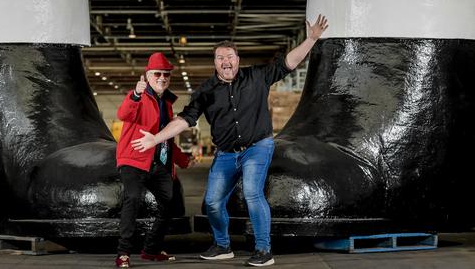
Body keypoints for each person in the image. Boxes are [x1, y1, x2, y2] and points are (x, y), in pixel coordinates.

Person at [132, 15, 329, 267]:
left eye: (230, 57)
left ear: (238, 60)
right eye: (221, 58)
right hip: (225, 153)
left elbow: (288, 63)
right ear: (215, 62)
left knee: (252, 193)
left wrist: (311, 39)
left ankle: (263, 250)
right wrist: (156, 139)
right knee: (212, 202)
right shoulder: (205, 91)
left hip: (257, 147)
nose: (226, 62)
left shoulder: (257, 76)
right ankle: (223, 246)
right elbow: (186, 119)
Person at [115, 52, 193, 268]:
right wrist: (135, 95)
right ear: (147, 76)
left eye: (166, 74)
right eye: (157, 74)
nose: (162, 78)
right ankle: (123, 253)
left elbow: (165, 136)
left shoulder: (166, 103)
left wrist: (182, 160)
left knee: (170, 203)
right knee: (132, 199)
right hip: (134, 159)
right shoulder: (140, 96)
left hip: (159, 164)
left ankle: (151, 249)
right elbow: (123, 114)